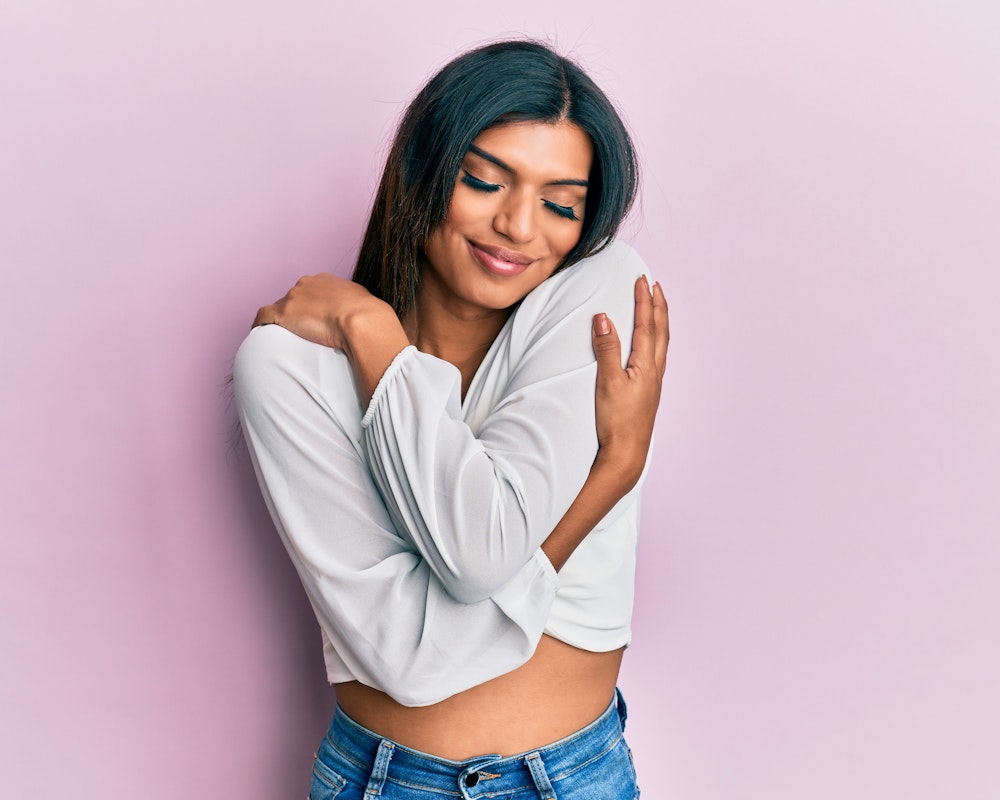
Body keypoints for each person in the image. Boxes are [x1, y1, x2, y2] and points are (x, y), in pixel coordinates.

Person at [233, 40, 668, 799]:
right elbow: (413, 658)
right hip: (387, 782)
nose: (519, 226)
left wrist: (374, 336)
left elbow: (481, 554)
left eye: (561, 203)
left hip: (578, 777)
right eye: (483, 181)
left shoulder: (599, 301)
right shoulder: (287, 368)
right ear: (423, 172)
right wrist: (609, 476)